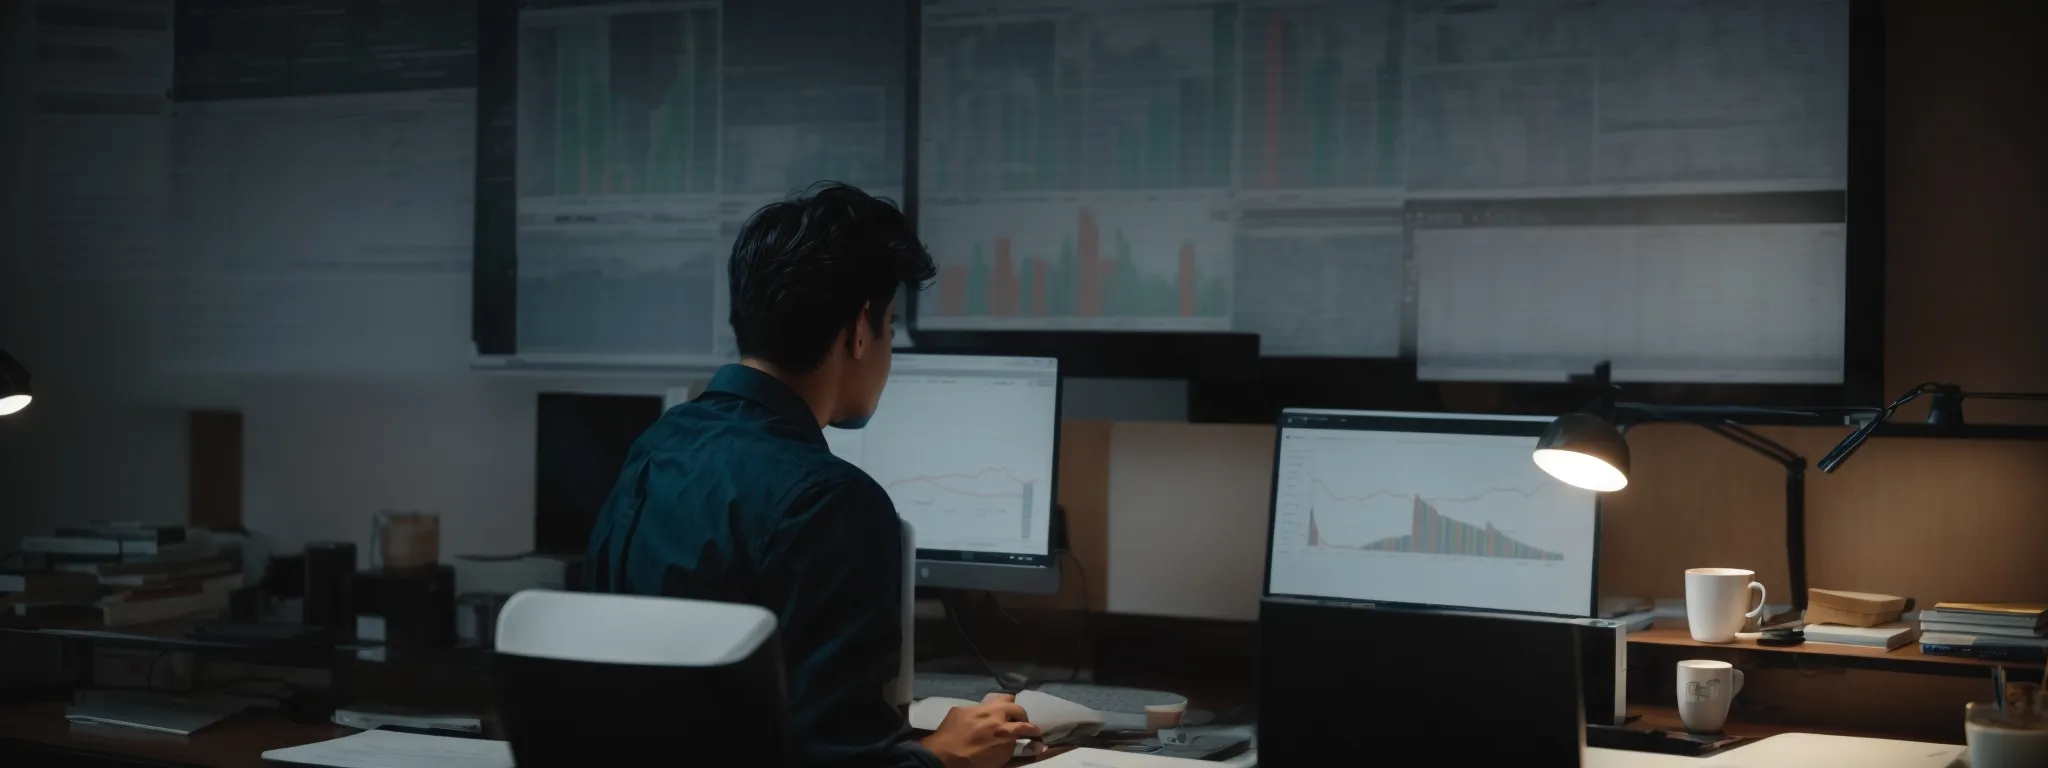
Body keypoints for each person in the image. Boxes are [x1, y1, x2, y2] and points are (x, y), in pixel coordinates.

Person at [585, 183, 1039, 768]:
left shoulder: (656, 449)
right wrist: (942, 756)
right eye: (890, 328)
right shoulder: (832, 501)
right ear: (858, 331)